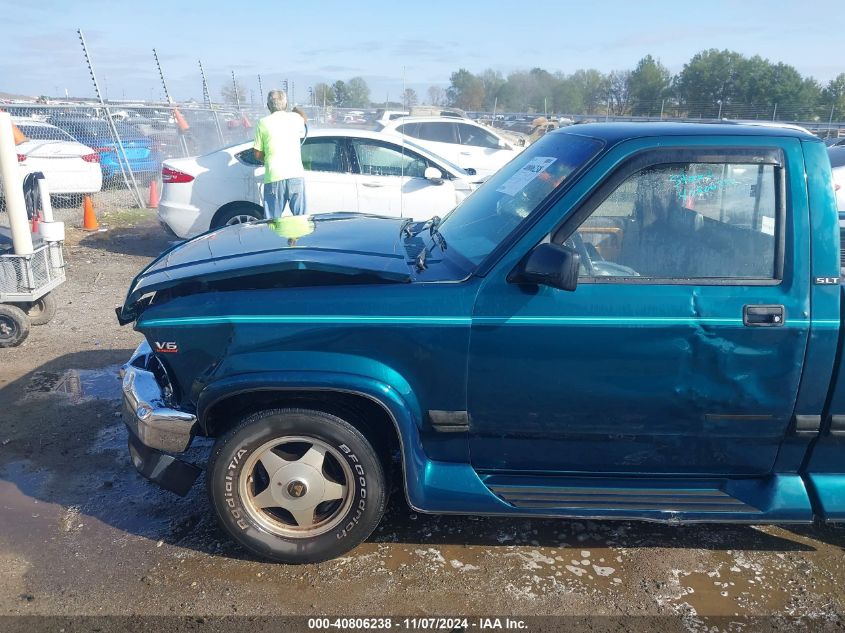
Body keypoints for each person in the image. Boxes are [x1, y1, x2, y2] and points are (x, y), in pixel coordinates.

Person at [253, 90, 306, 218]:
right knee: (301, 218)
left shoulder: (262, 123)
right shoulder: (295, 118)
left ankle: (275, 238)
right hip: (296, 175)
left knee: (272, 220)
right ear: (286, 105)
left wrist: (268, 159)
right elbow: (304, 120)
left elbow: (257, 153)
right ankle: (296, 237)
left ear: (268, 106)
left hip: (274, 176)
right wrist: (296, 109)